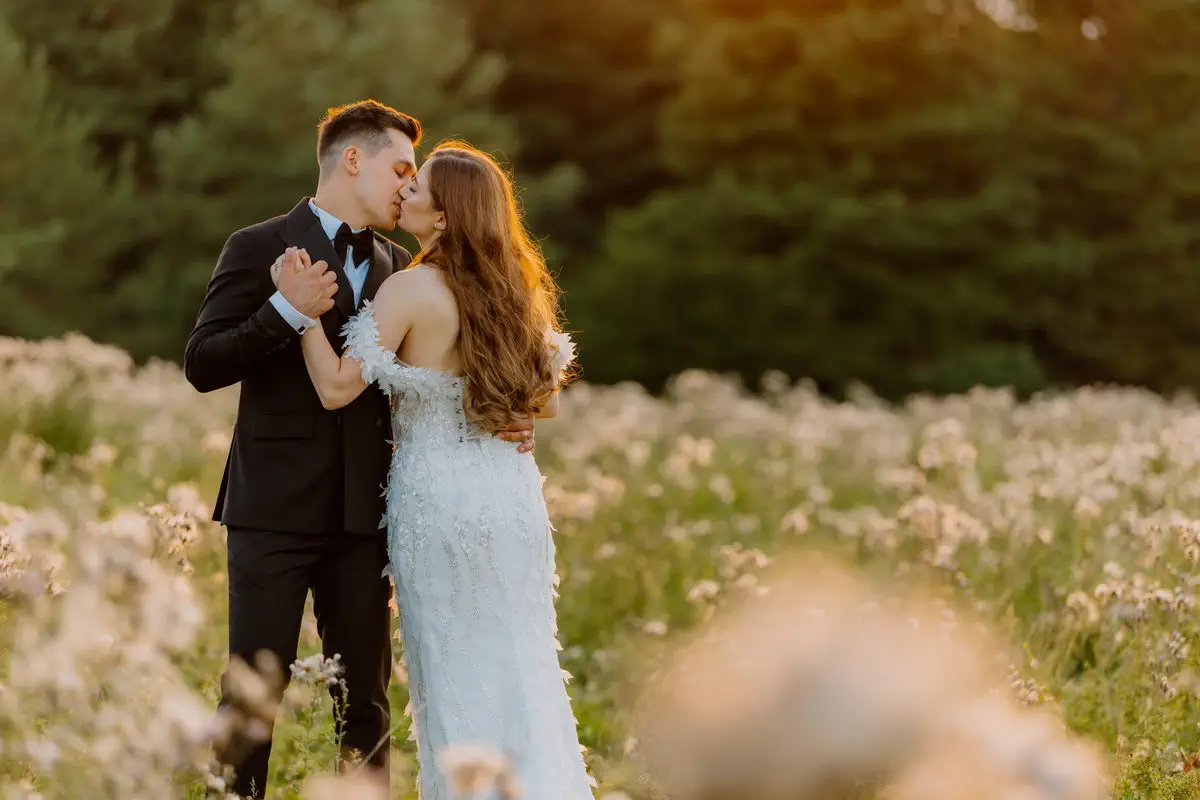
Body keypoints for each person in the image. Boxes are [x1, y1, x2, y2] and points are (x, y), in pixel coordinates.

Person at [183, 100, 537, 799]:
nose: (409, 186)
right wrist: (285, 311)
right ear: (354, 160)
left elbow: (427, 375)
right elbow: (203, 362)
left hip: (365, 520)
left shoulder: (400, 264)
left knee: (366, 703)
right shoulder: (257, 247)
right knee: (254, 690)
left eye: (416, 176)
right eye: (401, 168)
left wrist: (497, 417)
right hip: (272, 512)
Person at [283, 139, 596, 798]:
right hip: (508, 497)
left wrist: (306, 316)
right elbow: (547, 401)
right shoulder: (516, 289)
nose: (404, 192)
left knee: (454, 670)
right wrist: (508, 417)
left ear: (446, 215)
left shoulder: (412, 288)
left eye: (417, 186)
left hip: (440, 503)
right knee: (521, 667)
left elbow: (339, 388)